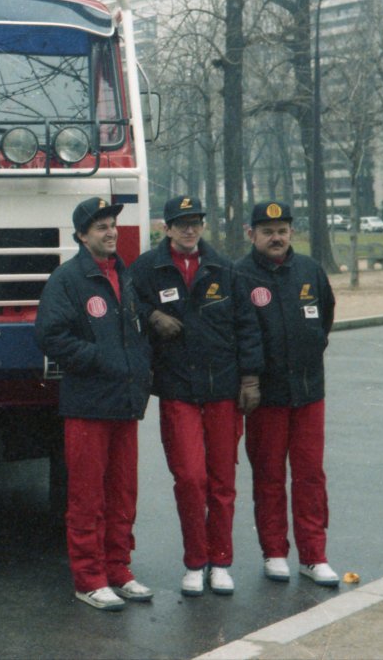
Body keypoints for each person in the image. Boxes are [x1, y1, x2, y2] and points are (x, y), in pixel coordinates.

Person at [130, 195, 262, 597]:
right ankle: (195, 561)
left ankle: (220, 562)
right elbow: (125, 300)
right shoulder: (148, 269)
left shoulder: (225, 269)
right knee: (189, 478)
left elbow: (247, 326)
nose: (190, 229)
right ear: (166, 228)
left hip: (222, 389)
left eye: (196, 222)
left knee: (222, 480)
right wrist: (151, 314)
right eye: (181, 223)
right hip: (178, 390)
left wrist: (250, 379)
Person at [34, 197, 154, 611]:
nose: (110, 232)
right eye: (100, 226)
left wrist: (138, 368)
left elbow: (138, 334)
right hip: (87, 405)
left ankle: (119, 571)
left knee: (123, 494)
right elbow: (51, 336)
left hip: (124, 403)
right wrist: (101, 360)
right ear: (82, 235)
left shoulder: (126, 276)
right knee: (87, 497)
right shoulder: (67, 280)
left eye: (113, 225)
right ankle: (89, 578)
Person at [236, 201, 340, 587]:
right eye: (267, 231)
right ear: (252, 235)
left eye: (282, 230)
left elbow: (325, 317)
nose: (276, 237)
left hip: (310, 392)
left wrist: (309, 349)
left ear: (291, 232)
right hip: (266, 397)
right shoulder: (240, 275)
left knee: (310, 475)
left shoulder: (310, 270)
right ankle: (274, 552)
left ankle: (314, 556)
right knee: (268, 476)